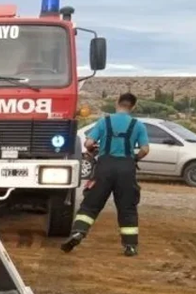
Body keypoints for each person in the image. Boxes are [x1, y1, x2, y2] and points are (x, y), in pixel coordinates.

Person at [62, 92, 149, 257]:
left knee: (91, 204)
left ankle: (78, 232)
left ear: (117, 103)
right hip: (126, 168)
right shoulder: (138, 125)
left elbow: (89, 143)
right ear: (133, 106)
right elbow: (145, 149)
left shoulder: (104, 121)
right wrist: (134, 158)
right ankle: (130, 246)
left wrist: (91, 149)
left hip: (104, 167)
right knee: (127, 208)